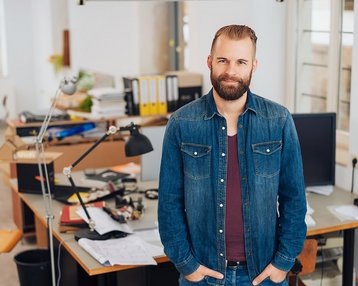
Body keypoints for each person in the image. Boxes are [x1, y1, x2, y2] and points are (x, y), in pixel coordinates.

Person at [158, 24, 307, 286]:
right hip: (202, 276)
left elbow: (294, 198)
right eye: (223, 60)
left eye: (241, 62)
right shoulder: (182, 123)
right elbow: (169, 203)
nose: (231, 71)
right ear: (209, 62)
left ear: (254, 65)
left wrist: (283, 263)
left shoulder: (279, 120)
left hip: (263, 275)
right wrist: (186, 265)